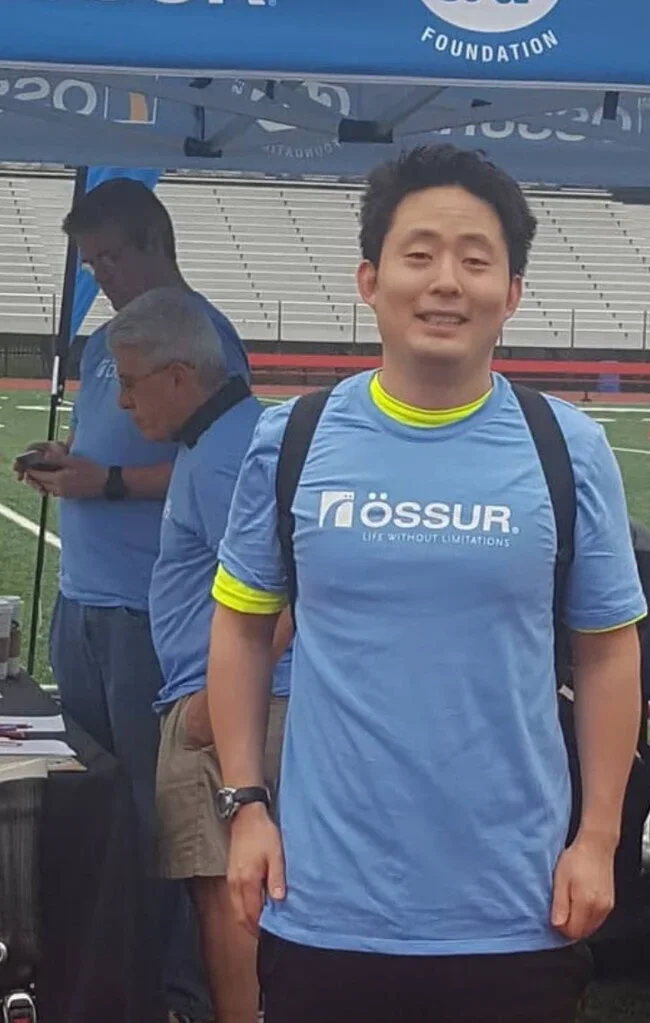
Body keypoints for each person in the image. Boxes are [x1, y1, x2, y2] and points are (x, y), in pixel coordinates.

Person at [206, 144, 647, 1023]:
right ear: (369, 280)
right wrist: (246, 803)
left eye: (475, 260)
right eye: (419, 254)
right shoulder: (291, 439)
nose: (446, 281)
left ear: (510, 294)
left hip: (516, 909)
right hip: (327, 904)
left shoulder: (568, 449)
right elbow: (243, 628)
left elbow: (607, 653)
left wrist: (597, 838)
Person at [15, 178, 250, 1023]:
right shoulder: (105, 340)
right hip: (84, 598)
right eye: (92, 261)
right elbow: (110, 438)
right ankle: (112, 969)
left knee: (163, 821)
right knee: (100, 808)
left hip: (149, 613)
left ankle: (178, 990)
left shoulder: (199, 333)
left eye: (113, 255)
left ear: (156, 240)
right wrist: (68, 458)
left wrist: (104, 480)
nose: (104, 274)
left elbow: (199, 452)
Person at [107, 287, 291, 1023]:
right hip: (240, 702)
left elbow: (280, 594)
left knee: (228, 900)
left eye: (129, 382)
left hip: (232, 709)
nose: (122, 403)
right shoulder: (230, 438)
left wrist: (211, 713)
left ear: (180, 377)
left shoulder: (224, 455)